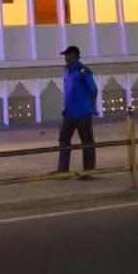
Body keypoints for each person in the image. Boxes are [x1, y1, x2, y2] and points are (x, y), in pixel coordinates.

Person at [56, 45, 99, 178]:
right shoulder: (67, 70)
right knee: (64, 140)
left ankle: (88, 171)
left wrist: (92, 106)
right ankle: (63, 171)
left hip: (82, 112)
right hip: (69, 112)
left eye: (67, 55)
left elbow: (93, 89)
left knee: (86, 142)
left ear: (74, 56)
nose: (65, 58)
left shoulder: (83, 71)